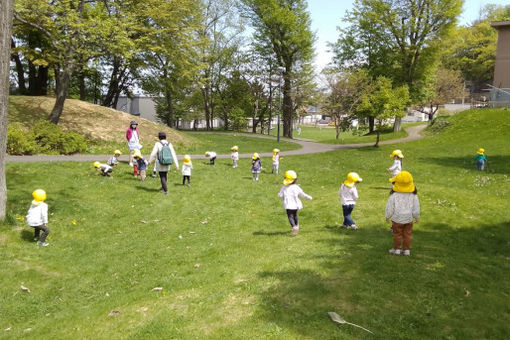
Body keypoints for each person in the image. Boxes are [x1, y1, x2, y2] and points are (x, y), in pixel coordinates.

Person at [385, 171, 420, 256]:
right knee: (407, 234)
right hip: (408, 218)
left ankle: (397, 249)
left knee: (397, 234)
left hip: (397, 219)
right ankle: (406, 250)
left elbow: (390, 207)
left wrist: (388, 216)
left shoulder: (394, 195)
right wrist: (416, 216)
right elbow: (416, 206)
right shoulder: (413, 195)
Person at [278, 170, 313, 236]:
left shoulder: (284, 187)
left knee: (290, 216)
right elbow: (302, 194)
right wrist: (309, 197)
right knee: (295, 215)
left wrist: (279, 194)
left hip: (288, 205)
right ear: (295, 180)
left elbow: (280, 195)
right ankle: (296, 225)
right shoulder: (296, 187)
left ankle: (294, 226)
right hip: (295, 205)